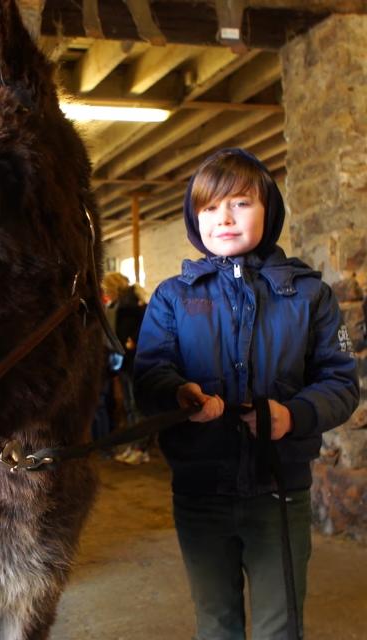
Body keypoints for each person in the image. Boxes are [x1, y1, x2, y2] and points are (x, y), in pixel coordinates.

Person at [134, 148, 359, 639]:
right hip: (199, 493)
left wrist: (292, 415)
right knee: (216, 623)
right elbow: (150, 374)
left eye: (240, 203)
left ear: (269, 211)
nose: (224, 219)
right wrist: (180, 395)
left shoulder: (308, 296)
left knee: (282, 625)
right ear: (195, 220)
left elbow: (341, 382)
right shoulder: (173, 297)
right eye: (210, 208)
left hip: (278, 492)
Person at [101, 272, 148, 464]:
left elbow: (147, 325)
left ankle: (141, 448)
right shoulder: (116, 306)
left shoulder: (135, 306)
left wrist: (134, 340)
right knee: (129, 407)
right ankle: (133, 445)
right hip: (124, 362)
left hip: (135, 362)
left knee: (137, 407)